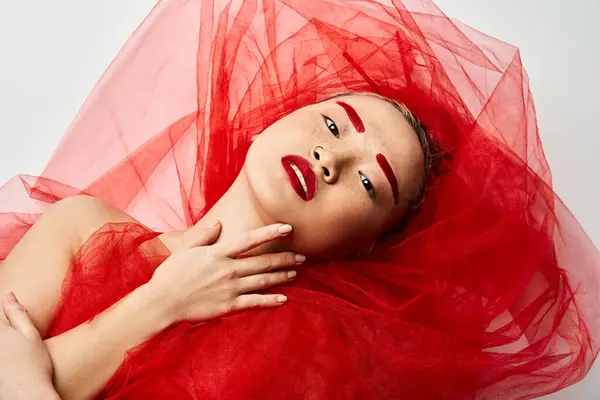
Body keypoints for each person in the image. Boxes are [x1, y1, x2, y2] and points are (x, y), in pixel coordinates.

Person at [0, 0, 599, 398]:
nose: (331, 159)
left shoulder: (321, 363)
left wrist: (32, 373)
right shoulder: (80, 228)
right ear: (267, 120)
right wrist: (161, 301)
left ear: (364, 244)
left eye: (370, 184)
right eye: (333, 126)